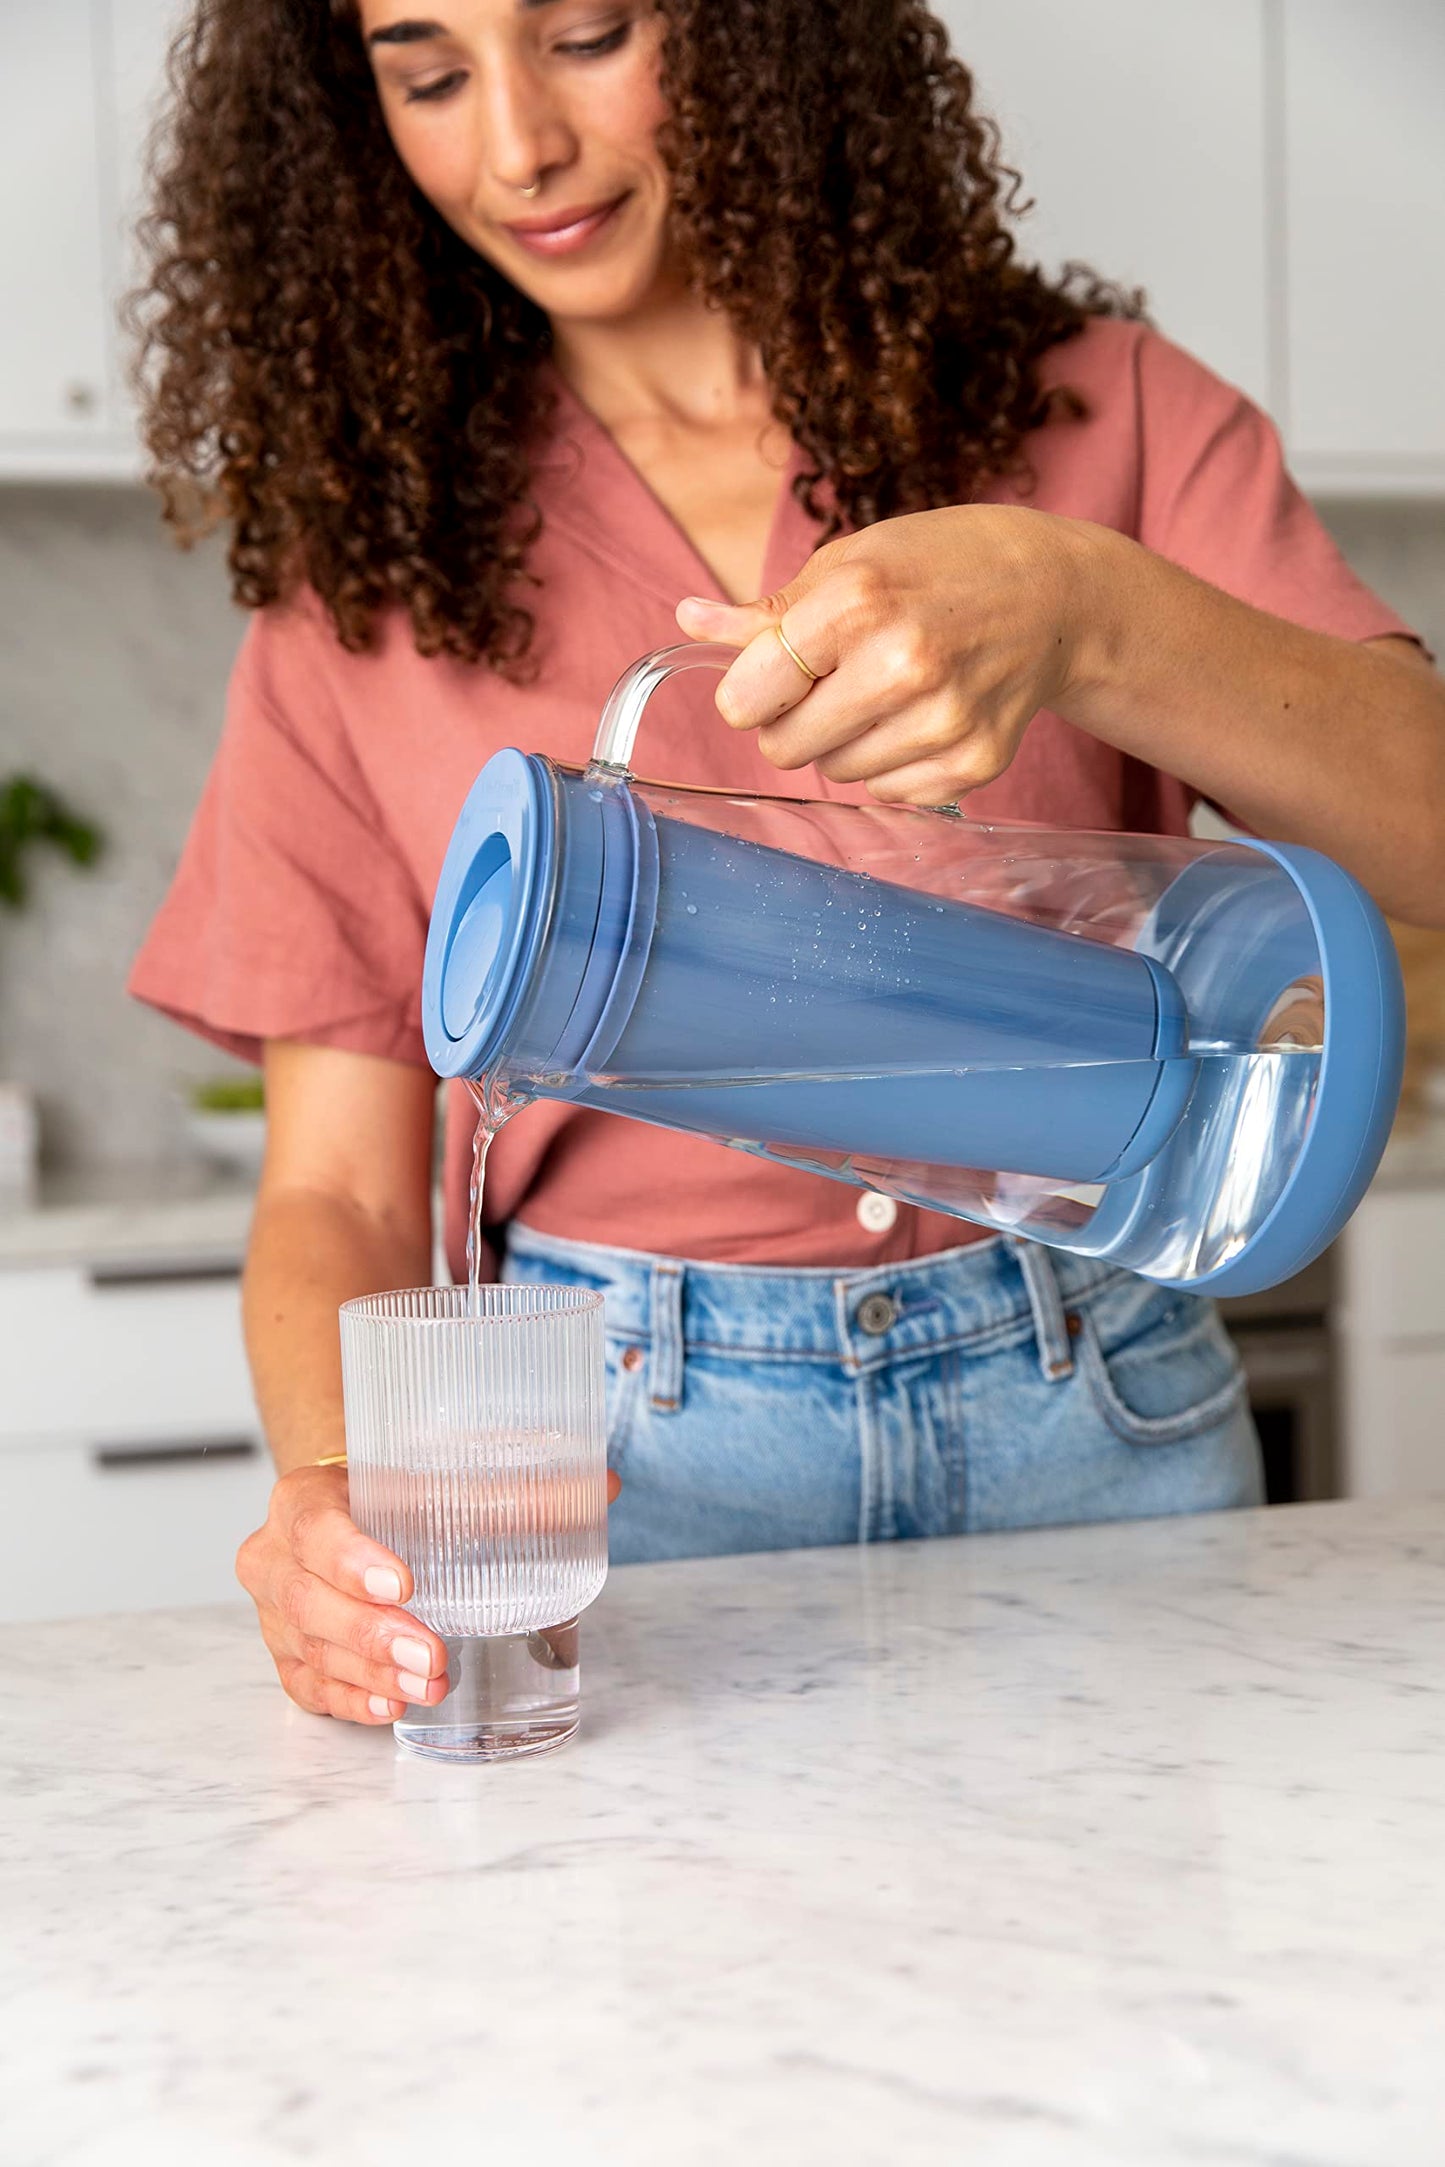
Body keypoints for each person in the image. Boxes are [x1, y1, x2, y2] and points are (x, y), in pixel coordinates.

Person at [130, 0, 1442, 1729]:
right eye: (428, 75)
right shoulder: (360, 572)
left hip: (1091, 1393)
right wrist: (328, 1480)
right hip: (626, 1465)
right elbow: (344, 1196)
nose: (515, 145)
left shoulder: (1094, 413)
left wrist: (1094, 617)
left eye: (587, 33)